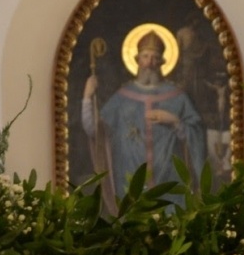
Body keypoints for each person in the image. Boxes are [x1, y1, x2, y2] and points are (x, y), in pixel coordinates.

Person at [81, 28, 206, 213]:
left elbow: (196, 135)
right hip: (130, 179)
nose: (150, 62)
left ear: (162, 62)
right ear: (137, 60)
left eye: (155, 57)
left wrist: (174, 120)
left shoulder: (178, 97)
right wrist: (87, 97)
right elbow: (96, 131)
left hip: (169, 180)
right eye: (145, 56)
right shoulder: (122, 98)